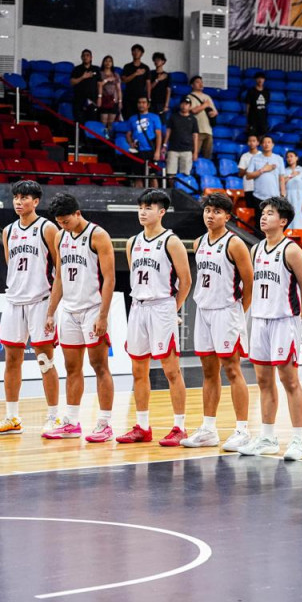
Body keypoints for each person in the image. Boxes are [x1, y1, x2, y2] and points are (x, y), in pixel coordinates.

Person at [240, 196, 302, 460]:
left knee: (289, 380)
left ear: (283, 221)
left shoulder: (291, 250)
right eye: (263, 213)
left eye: (270, 213)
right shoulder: (256, 249)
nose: (263, 216)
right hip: (260, 320)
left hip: (284, 321)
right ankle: (267, 437)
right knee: (263, 380)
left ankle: (298, 440)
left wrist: (296, 318)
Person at [0, 181, 61, 438]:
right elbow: (11, 263)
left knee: (44, 361)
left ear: (36, 201)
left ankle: (53, 416)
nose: (19, 202)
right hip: (13, 301)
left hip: (40, 301)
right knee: (11, 360)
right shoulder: (8, 231)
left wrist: (52, 309)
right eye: (16, 197)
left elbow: (59, 269)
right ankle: (12, 417)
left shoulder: (48, 228)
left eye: (24, 197)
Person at [182, 193, 254, 451]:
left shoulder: (235, 244)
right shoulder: (198, 242)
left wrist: (238, 312)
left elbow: (249, 283)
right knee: (208, 372)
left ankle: (242, 430)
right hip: (204, 311)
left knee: (232, 370)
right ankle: (209, 429)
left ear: (227, 216)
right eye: (207, 210)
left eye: (216, 211)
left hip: (227, 311)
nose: (210, 215)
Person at [41, 193, 116, 442]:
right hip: (69, 310)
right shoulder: (60, 236)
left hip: (93, 309)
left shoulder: (98, 235)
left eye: (66, 221)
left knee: (99, 366)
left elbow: (109, 279)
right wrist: (51, 312)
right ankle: (72, 422)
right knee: (71, 368)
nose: (63, 225)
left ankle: (105, 423)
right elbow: (59, 278)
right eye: (59, 222)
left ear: (78, 213)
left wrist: (103, 316)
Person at [122, 190, 192, 446]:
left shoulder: (171, 242)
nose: (142, 212)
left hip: (162, 306)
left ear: (162, 212)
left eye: (148, 207)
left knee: (171, 370)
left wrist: (173, 309)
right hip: (138, 307)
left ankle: (180, 427)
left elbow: (186, 281)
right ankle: (142, 426)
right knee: (138, 370)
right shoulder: (132, 242)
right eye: (140, 207)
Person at [125, 96, 162, 187]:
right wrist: (130, 143)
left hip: (150, 150)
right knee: (138, 176)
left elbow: (158, 135)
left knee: (152, 176)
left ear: (148, 105)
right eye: (139, 102)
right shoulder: (132, 118)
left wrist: (157, 151)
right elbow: (128, 134)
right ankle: (139, 195)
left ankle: (155, 195)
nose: (141, 105)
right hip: (137, 151)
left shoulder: (154, 117)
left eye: (143, 102)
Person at [164, 96, 199, 178]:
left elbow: (195, 136)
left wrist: (195, 152)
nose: (184, 106)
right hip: (173, 149)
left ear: (190, 106)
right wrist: (164, 145)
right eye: (183, 103)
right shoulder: (173, 117)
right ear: (180, 105)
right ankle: (172, 186)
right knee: (170, 174)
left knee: (185, 174)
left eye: (186, 104)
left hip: (187, 149)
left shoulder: (193, 119)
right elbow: (168, 131)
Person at [244, 134, 284, 203]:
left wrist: (283, 194)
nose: (267, 144)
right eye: (264, 142)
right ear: (261, 145)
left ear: (273, 145)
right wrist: (263, 170)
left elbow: (282, 178)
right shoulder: (255, 158)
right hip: (258, 196)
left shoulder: (279, 159)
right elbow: (248, 176)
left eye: (269, 142)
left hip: (275, 196)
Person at [188, 76, 218, 160]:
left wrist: (213, 113)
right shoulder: (189, 97)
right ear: (192, 85)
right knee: (194, 155)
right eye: (198, 82)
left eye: (201, 82)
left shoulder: (207, 97)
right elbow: (193, 110)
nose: (201, 84)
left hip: (208, 130)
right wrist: (204, 105)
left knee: (207, 156)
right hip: (197, 131)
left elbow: (215, 112)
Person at [69, 49, 100, 124]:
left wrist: (99, 97)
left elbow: (100, 84)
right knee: (80, 122)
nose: (85, 57)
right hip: (79, 100)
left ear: (91, 57)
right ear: (81, 57)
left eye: (87, 55)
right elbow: (72, 82)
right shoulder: (77, 69)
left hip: (92, 100)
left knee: (91, 122)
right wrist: (83, 77)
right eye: (83, 56)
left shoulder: (96, 69)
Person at [121, 44, 151, 121]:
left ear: (142, 54)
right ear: (132, 53)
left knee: (140, 119)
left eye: (138, 51)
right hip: (128, 97)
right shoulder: (127, 66)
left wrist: (148, 98)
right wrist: (136, 74)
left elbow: (148, 84)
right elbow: (124, 80)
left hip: (141, 97)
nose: (136, 52)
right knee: (129, 119)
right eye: (134, 51)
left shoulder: (146, 67)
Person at [281, 149, 302, 230]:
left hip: (300, 198)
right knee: (288, 218)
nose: (289, 158)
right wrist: (291, 176)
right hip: (288, 197)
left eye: (291, 156)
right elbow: (281, 183)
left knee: (299, 219)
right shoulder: (284, 171)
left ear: (296, 158)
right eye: (287, 157)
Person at [97, 55, 122, 133]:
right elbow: (99, 85)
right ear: (103, 62)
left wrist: (120, 101)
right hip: (104, 99)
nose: (108, 63)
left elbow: (119, 89)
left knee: (111, 123)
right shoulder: (100, 74)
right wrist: (107, 80)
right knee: (103, 123)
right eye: (106, 61)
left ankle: (109, 138)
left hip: (113, 100)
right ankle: (103, 137)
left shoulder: (116, 75)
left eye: (110, 61)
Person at [238, 134, 261, 211]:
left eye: (254, 141)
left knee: (260, 210)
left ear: (258, 143)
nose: (251, 143)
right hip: (248, 187)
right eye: (250, 141)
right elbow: (240, 173)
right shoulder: (244, 156)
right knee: (250, 210)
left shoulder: (262, 156)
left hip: (260, 188)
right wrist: (249, 169)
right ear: (247, 143)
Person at [244, 72, 269, 137]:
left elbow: (266, 105)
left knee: (262, 137)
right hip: (253, 119)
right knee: (252, 137)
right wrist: (248, 121)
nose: (260, 80)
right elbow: (247, 107)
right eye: (258, 78)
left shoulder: (266, 92)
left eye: (262, 78)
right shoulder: (251, 91)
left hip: (263, 120)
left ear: (264, 80)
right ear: (255, 79)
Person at [147, 52, 171, 118]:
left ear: (163, 61)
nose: (156, 62)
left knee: (161, 121)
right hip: (151, 102)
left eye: (158, 60)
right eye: (155, 60)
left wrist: (166, 105)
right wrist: (157, 80)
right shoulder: (150, 73)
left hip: (161, 103)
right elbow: (148, 88)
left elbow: (168, 90)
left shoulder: (167, 75)